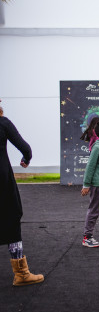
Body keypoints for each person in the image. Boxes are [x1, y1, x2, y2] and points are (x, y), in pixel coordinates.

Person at [0, 100, 44, 286]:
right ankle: (21, 274)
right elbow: (25, 148)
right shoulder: (3, 123)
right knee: (11, 218)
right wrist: (26, 159)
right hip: (2, 181)